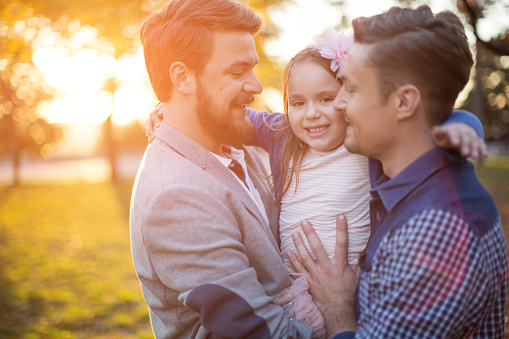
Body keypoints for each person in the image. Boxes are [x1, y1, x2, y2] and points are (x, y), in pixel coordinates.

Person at [146, 27, 487, 338]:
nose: (311, 114)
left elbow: (431, 120)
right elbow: (229, 113)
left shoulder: (364, 144)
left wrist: (463, 128)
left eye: (326, 99)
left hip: (353, 286)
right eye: (298, 102)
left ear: (348, 99)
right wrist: (169, 107)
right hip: (291, 288)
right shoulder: (283, 136)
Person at [288, 6, 508, 338]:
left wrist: (337, 307)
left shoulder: (434, 235)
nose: (340, 104)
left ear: (404, 103)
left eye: (352, 89)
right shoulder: (407, 183)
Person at [130, 0, 314, 337]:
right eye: (237, 71)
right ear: (182, 78)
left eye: (253, 68)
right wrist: (344, 317)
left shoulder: (231, 141)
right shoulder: (176, 198)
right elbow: (259, 333)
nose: (257, 86)